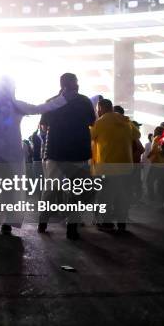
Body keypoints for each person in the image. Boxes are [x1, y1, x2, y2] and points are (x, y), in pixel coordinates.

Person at [0, 76, 68, 234]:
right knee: (2, 189)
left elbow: (40, 108)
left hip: (1, 154)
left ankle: (1, 219)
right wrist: (62, 99)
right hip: (2, 155)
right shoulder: (6, 106)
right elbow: (41, 108)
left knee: (2, 188)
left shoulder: (3, 106)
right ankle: (1, 219)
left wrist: (62, 99)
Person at [38, 73, 96, 240]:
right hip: (79, 153)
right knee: (76, 192)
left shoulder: (51, 102)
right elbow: (92, 122)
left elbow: (44, 125)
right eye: (75, 82)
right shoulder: (84, 101)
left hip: (55, 152)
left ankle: (43, 223)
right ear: (72, 84)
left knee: (50, 189)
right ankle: (71, 228)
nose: (76, 85)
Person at [90, 99, 141, 232]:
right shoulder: (125, 120)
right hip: (125, 165)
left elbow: (90, 136)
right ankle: (121, 223)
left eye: (97, 109)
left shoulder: (99, 122)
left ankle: (106, 223)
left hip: (107, 166)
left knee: (105, 196)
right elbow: (137, 134)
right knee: (122, 195)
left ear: (100, 108)